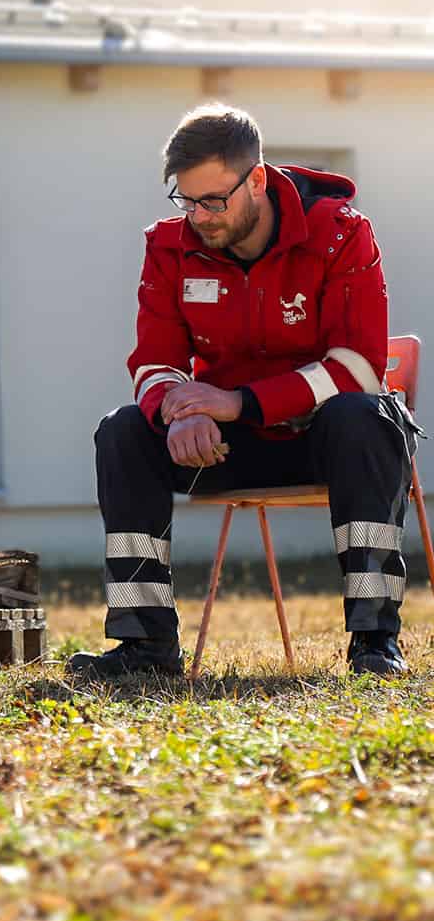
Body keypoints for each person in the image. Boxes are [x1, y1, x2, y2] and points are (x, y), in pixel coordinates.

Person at [66, 103, 420, 679]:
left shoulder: (342, 234)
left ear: (256, 179)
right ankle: (146, 648)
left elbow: (359, 366)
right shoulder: (168, 247)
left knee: (369, 414)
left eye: (214, 200)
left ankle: (375, 642)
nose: (199, 216)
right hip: (222, 446)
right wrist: (178, 412)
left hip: (325, 440)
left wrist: (237, 402)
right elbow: (154, 360)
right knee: (123, 431)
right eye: (186, 199)